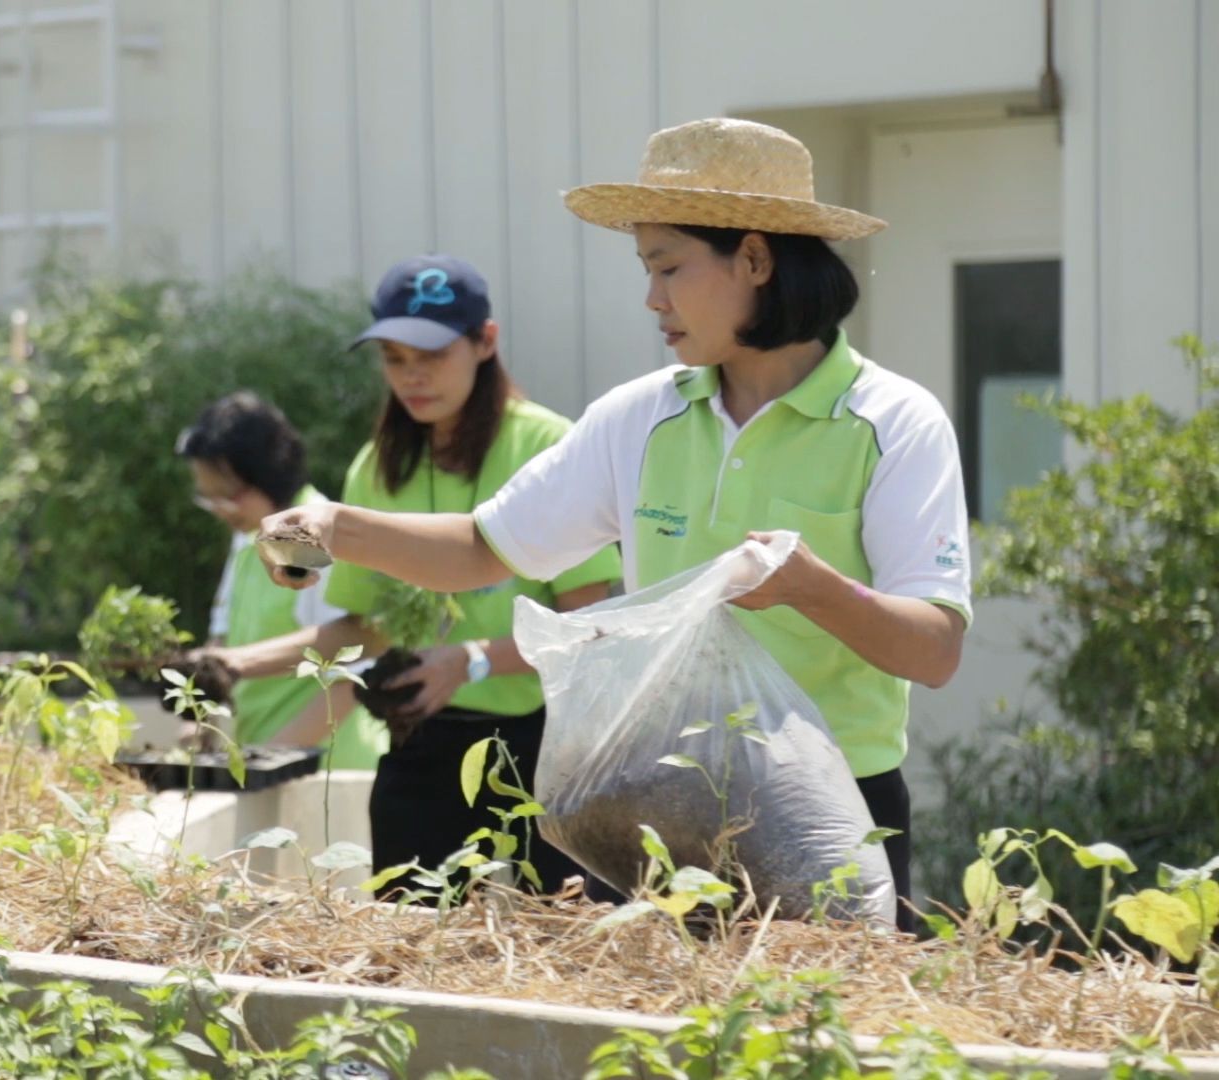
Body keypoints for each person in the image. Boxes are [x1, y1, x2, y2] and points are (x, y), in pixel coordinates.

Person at [258, 119, 972, 925]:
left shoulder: (893, 422)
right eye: (646, 269)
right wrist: (334, 526)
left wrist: (813, 589)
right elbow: (478, 549)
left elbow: (935, 648)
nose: (652, 299)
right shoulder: (638, 419)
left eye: (668, 267)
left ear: (756, 259)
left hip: (836, 810)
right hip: (652, 808)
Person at [207, 255, 622, 898]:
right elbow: (362, 631)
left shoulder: (549, 446)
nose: (412, 376)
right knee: (410, 940)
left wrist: (472, 661)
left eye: (431, 354)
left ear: (486, 342)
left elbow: (588, 629)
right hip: (419, 740)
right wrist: (235, 663)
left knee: (561, 935)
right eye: (394, 358)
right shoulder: (378, 465)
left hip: (542, 747)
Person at [175, 391, 380, 768]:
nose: (220, 511)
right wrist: (202, 718)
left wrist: (270, 756)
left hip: (325, 768)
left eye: (228, 496)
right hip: (271, 762)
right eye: (209, 499)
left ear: (267, 474)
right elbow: (222, 640)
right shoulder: (247, 538)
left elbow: (353, 670)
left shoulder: (309, 534)